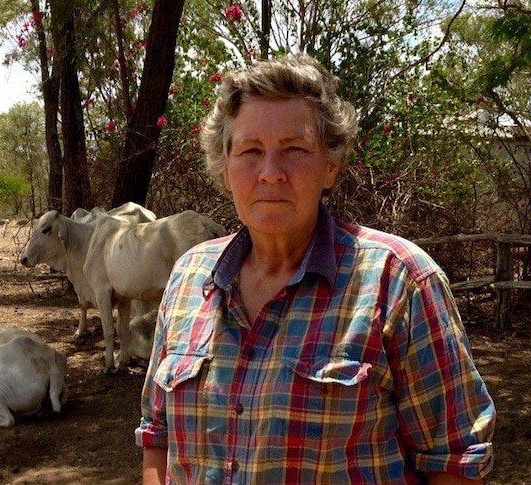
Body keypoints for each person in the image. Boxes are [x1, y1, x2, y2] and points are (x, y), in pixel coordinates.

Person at [135, 55, 496, 484]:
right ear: (225, 168)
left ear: (330, 165)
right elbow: (157, 435)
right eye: (250, 151)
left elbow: (455, 461)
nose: (270, 173)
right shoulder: (188, 278)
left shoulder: (399, 282)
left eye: (294, 150)